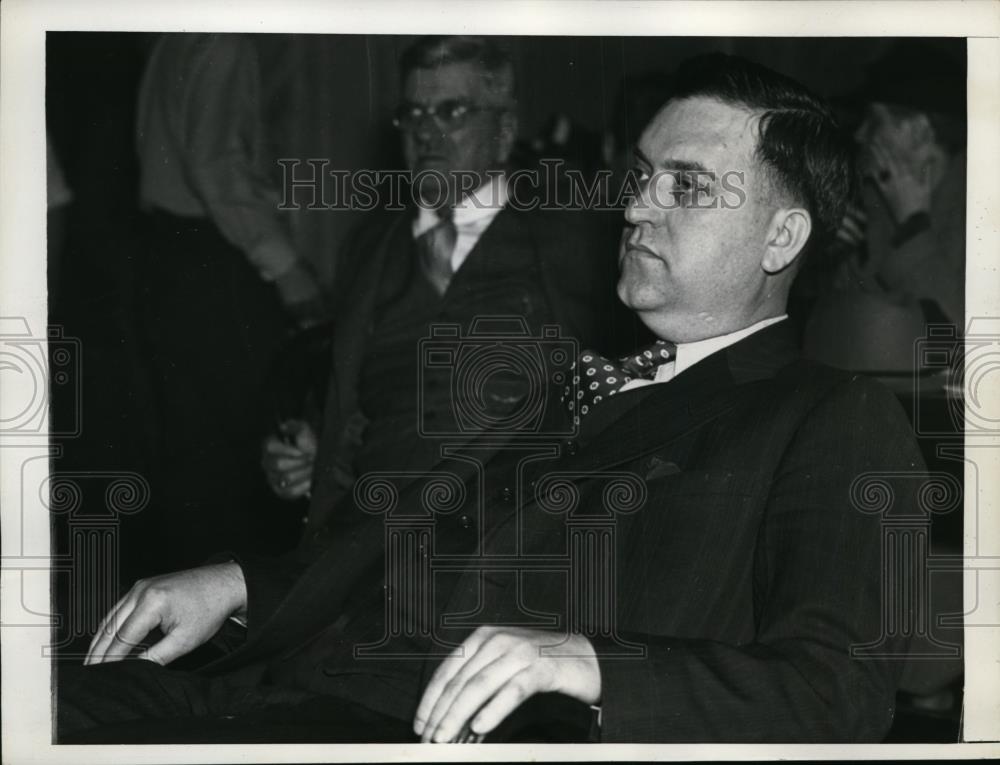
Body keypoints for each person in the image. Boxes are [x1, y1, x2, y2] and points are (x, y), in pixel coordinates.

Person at [58, 53, 923, 744]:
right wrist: (242, 582)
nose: (636, 208)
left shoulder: (827, 414)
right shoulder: (580, 379)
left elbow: (840, 689)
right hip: (278, 679)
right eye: (642, 174)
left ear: (783, 234)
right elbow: (401, 536)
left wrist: (591, 665)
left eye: (686, 187)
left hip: (409, 724)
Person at [261, 35, 632, 537]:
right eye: (413, 114)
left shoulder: (575, 230)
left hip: (518, 537)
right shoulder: (368, 248)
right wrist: (308, 451)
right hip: (372, 543)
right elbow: (347, 402)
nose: (427, 133)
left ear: (504, 128)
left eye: (452, 111)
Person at [134, 33, 328, 568]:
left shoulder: (177, 36)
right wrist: (289, 270)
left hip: (169, 254)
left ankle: (197, 627)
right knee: (244, 462)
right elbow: (218, 169)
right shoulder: (221, 38)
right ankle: (236, 631)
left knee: (194, 460)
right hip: (212, 258)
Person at [802, 40, 966, 371]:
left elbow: (960, 336)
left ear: (918, 131)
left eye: (875, 121)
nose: (861, 135)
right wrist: (827, 253)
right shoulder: (875, 195)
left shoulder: (982, 206)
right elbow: (844, 325)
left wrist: (913, 226)